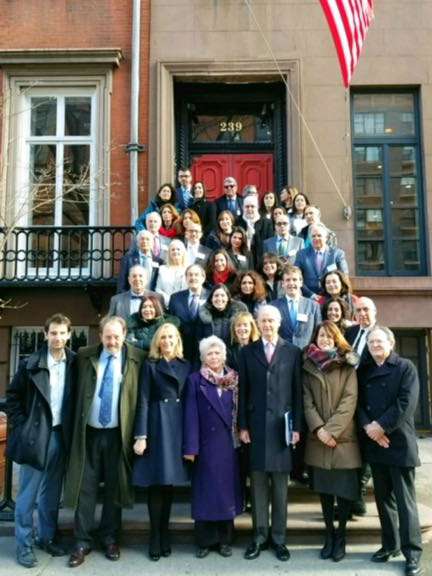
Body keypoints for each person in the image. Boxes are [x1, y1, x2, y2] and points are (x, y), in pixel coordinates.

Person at [64, 316, 146, 567]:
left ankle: (110, 537)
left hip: (117, 434)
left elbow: (142, 398)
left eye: (117, 337)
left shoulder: (137, 358)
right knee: (85, 487)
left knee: (114, 487)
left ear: (124, 335)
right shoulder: (84, 355)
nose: (112, 342)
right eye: (108, 337)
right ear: (100, 336)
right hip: (89, 432)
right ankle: (82, 540)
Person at [6, 314, 76, 568]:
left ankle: (46, 537)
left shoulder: (74, 363)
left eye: (62, 333)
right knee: (27, 495)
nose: (57, 338)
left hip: (60, 435)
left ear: (69, 334)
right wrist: (24, 425)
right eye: (53, 333)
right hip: (36, 436)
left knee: (50, 494)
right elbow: (12, 398)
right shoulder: (30, 363)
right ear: (45, 334)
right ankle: (24, 545)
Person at [357, 326, 424, 576]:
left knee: (406, 504)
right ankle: (390, 545)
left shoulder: (405, 367)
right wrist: (368, 427)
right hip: (375, 443)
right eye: (371, 342)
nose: (375, 345)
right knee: (384, 500)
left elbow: (406, 403)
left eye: (379, 341)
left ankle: (412, 553)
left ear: (391, 342)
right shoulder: (365, 371)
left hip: (399, 443)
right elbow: (359, 404)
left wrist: (380, 427)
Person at [238, 305, 302, 561]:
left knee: (280, 489)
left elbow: (297, 391)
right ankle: (259, 536)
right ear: (258, 323)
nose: (267, 325)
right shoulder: (246, 352)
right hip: (255, 428)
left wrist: (297, 427)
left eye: (271, 321)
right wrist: (242, 425)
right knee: (258, 487)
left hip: (282, 428)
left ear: (278, 323)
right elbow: (242, 391)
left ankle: (279, 539)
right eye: (263, 321)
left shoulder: (293, 351)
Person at [303, 321, 361, 562]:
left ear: (336, 338)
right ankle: (329, 535)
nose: (324, 339)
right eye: (321, 335)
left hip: (343, 439)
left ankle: (341, 537)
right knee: (325, 493)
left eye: (329, 335)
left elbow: (350, 400)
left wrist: (332, 431)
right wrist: (319, 429)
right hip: (318, 439)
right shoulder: (307, 364)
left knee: (345, 493)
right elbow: (306, 401)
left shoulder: (347, 365)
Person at [133, 323, 191, 561]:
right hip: (157, 426)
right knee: (156, 483)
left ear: (177, 340)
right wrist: (141, 435)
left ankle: (165, 533)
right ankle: (155, 536)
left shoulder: (187, 365)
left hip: (178, 426)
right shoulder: (151, 365)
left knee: (169, 484)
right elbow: (143, 400)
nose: (167, 340)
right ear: (157, 341)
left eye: (171, 337)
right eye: (163, 337)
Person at [183, 336, 243, 558]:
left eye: (218, 353)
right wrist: (191, 447)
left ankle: (225, 540)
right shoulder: (194, 380)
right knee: (206, 494)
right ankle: (204, 542)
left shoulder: (234, 379)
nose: (214, 357)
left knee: (225, 493)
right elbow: (190, 415)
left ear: (224, 355)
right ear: (203, 358)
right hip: (205, 446)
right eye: (210, 353)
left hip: (228, 445)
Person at [272, 265, 321, 349]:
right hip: (282, 354)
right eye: (287, 280)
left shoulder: (313, 306)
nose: (291, 283)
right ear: (283, 284)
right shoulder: (273, 307)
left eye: (294, 279)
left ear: (301, 282)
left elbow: (318, 331)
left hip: (307, 354)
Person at [168, 264, 209, 366]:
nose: (193, 278)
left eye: (196, 275)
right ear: (186, 278)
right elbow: (171, 324)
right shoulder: (175, 298)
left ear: (203, 278)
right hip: (181, 349)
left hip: (204, 349)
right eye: (190, 275)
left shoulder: (211, 296)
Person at [294, 223, 349, 298]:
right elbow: (296, 276)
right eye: (313, 236)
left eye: (319, 235)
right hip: (309, 297)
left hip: (332, 296)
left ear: (326, 238)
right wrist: (311, 295)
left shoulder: (337, 254)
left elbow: (344, 276)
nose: (316, 238)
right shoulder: (301, 254)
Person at [237, 195, 273, 263]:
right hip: (242, 257)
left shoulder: (267, 222)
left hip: (261, 258)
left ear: (257, 207)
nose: (249, 209)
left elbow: (269, 243)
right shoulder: (237, 221)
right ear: (243, 208)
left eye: (252, 206)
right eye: (247, 206)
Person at [155, 239, 188, 307]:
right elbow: (158, 289)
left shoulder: (189, 270)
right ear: (169, 253)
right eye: (172, 250)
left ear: (183, 252)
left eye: (178, 249)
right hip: (165, 305)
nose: (175, 251)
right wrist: (171, 301)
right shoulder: (162, 269)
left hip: (183, 306)